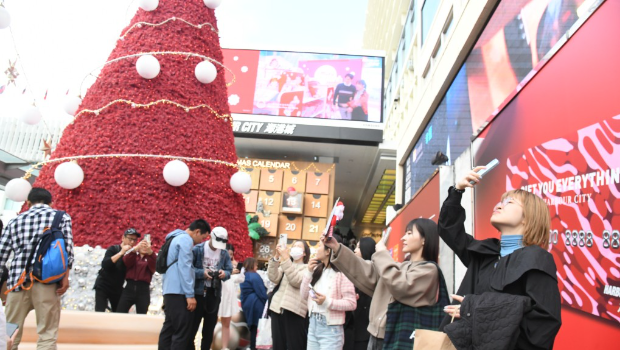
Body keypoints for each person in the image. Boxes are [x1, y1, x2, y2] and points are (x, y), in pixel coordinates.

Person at [439, 168, 561, 349]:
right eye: (500, 201)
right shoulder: (484, 253)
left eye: (509, 202)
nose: (498, 205)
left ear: (527, 218)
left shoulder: (537, 260)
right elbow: (449, 229)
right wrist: (457, 190)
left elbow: (544, 323)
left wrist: (475, 307)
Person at [326, 218, 448, 350]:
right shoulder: (400, 267)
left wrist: (382, 253)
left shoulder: (429, 270)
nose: (403, 238)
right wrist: (337, 248)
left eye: (409, 233)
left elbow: (400, 285)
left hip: (399, 337)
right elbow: (367, 272)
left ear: (424, 239)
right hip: (376, 336)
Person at [0, 188, 73, 350]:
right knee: (47, 335)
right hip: (47, 282)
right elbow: (67, 250)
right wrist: (65, 278)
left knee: (10, 334)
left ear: (28, 202)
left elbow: (1, 255)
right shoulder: (61, 217)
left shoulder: (14, 221)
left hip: (17, 284)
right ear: (50, 202)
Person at [158, 219, 211, 350]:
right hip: (179, 292)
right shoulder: (186, 240)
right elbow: (185, 267)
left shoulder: (173, 238)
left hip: (170, 291)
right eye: (202, 237)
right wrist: (189, 294)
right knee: (182, 332)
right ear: (197, 231)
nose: (201, 241)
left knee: (168, 329)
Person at [300, 240, 357, 350]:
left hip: (331, 329)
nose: (317, 248)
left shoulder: (342, 273)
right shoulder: (317, 270)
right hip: (313, 324)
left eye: (320, 246)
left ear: (328, 251)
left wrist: (327, 302)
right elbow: (303, 294)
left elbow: (351, 303)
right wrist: (308, 272)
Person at [188, 226, 233, 350]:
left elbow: (229, 270)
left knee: (209, 330)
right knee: (192, 327)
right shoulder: (198, 249)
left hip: (214, 293)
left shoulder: (223, 253)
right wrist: (202, 273)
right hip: (198, 293)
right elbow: (189, 269)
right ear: (211, 237)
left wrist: (224, 274)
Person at [267, 240, 311, 350]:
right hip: (277, 309)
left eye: (298, 246)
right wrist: (276, 258)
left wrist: (286, 259)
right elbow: (273, 277)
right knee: (278, 344)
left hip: (294, 311)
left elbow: (296, 281)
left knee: (294, 345)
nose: (295, 248)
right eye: (294, 246)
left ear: (304, 253)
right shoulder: (284, 265)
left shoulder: (308, 268)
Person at [94, 228, 139, 312]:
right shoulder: (113, 249)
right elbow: (105, 264)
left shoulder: (132, 255)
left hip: (117, 287)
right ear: (123, 238)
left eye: (134, 240)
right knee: (100, 310)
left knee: (119, 312)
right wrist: (121, 253)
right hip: (103, 285)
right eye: (130, 239)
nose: (132, 242)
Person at [347, 238, 375, 350]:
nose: (355, 250)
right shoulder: (352, 269)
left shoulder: (374, 271)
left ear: (366, 249)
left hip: (364, 328)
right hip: (351, 326)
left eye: (358, 247)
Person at [117, 237, 156, 314]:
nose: (144, 247)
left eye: (147, 245)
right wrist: (135, 249)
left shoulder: (151, 257)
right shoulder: (133, 255)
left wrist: (150, 252)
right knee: (120, 312)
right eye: (142, 244)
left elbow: (154, 266)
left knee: (142, 314)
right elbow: (126, 261)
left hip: (143, 289)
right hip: (129, 287)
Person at [218, 244, 245, 350]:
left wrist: (238, 269)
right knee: (213, 321)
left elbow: (241, 279)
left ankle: (225, 347)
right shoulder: (218, 263)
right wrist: (229, 272)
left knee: (226, 322)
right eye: (227, 254)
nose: (229, 256)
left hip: (230, 295)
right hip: (219, 294)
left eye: (231, 254)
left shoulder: (235, 264)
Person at [240, 257, 268, 350]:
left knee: (252, 328)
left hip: (247, 303)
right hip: (256, 305)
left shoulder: (244, 275)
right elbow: (261, 292)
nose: (257, 267)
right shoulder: (254, 276)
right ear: (252, 265)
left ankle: (252, 346)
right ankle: (255, 347)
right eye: (256, 265)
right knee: (256, 328)